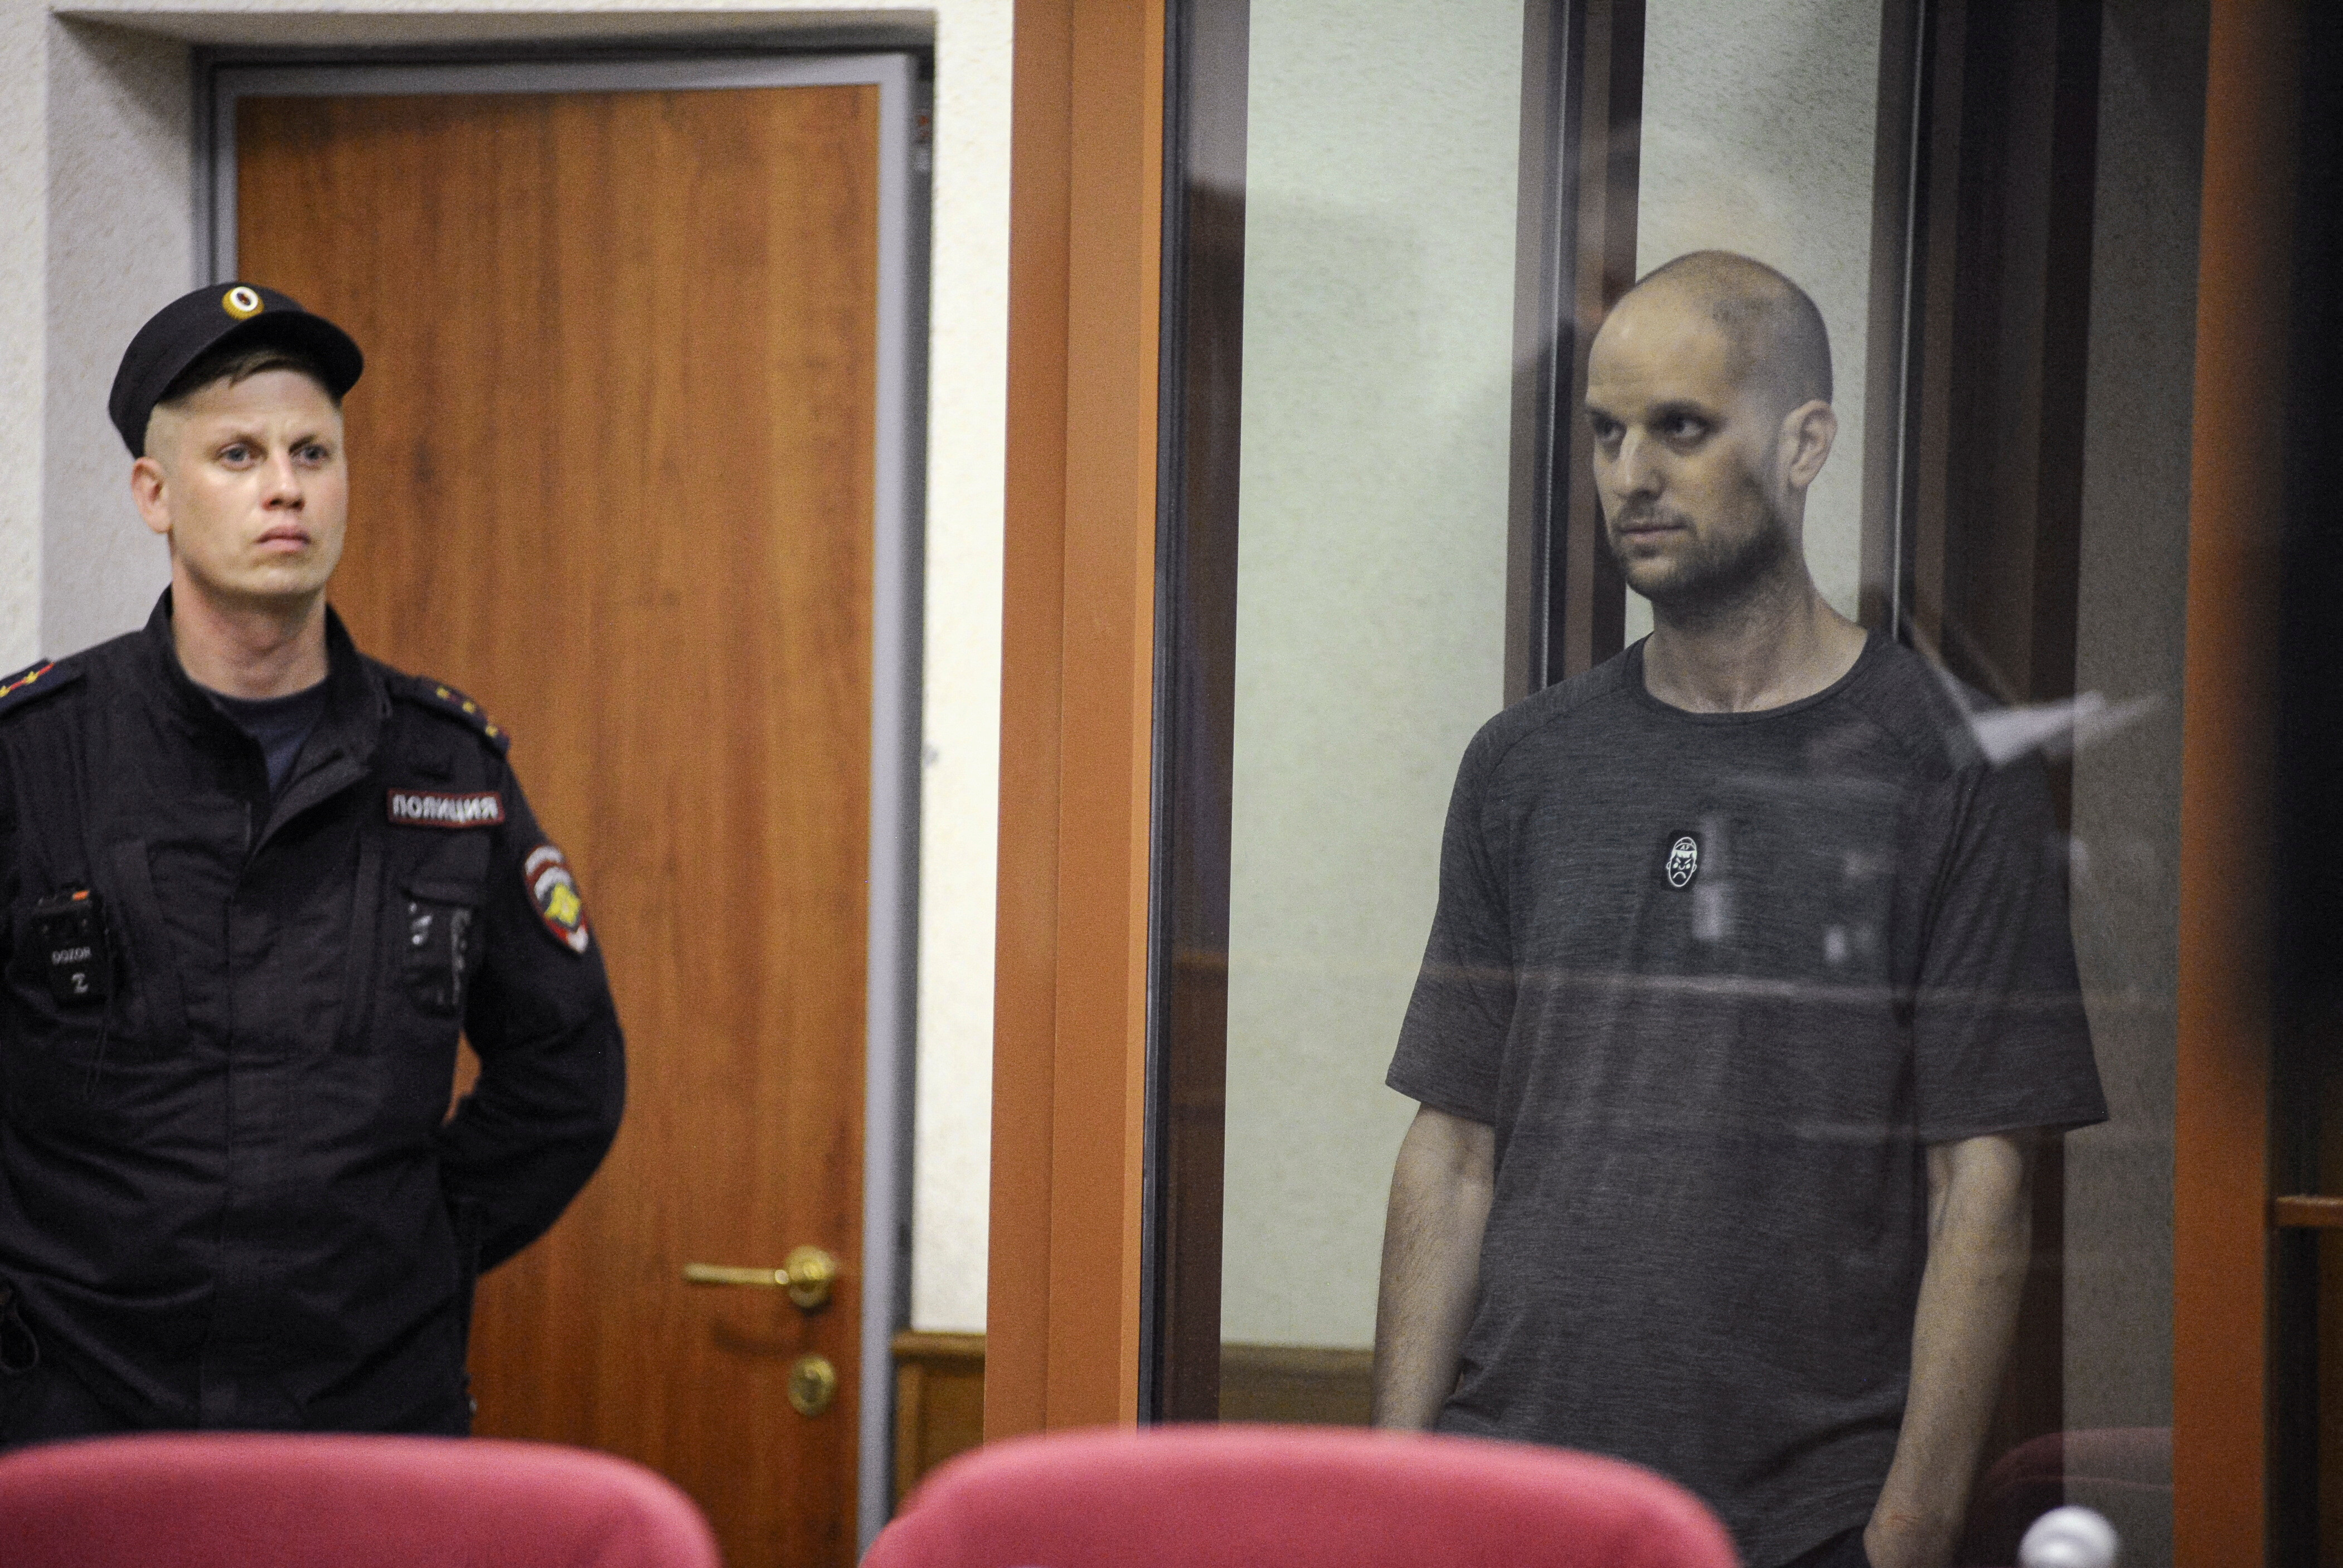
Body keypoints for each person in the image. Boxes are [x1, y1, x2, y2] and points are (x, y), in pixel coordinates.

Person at [1369, 251, 2106, 1568]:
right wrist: (1392, 1496)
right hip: (1507, 1497)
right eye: (1604, 433)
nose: (1627, 474)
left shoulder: (1942, 766)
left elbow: (1980, 1185)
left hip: (1796, 1524)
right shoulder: (1523, 764)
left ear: (1803, 441)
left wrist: (1905, 1534)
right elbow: (1453, 1149)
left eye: (1680, 428)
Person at [0, 283, 625, 1444]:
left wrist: (414, 1240)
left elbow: (566, 1072)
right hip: (74, 1417)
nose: (284, 486)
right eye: (237, 454)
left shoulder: (446, 769)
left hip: (365, 1411)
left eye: (313, 452)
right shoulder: (35, 760)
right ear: (155, 494)